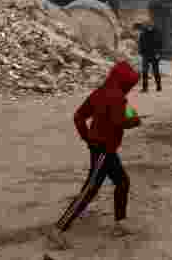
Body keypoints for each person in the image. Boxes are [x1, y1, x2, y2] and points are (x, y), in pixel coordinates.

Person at [48, 61, 141, 250]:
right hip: (104, 150)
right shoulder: (118, 99)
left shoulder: (100, 92)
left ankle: (120, 223)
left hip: (102, 148)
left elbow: (78, 117)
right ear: (125, 82)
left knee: (122, 182)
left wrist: (87, 137)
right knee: (90, 190)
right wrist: (135, 120)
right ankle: (58, 229)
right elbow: (121, 121)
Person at [136, 22, 162, 93]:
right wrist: (141, 52)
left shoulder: (157, 33)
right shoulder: (143, 33)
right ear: (146, 27)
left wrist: (159, 53)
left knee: (156, 71)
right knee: (145, 71)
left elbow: (160, 44)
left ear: (153, 26)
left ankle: (159, 86)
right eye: (148, 26)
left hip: (154, 55)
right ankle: (145, 88)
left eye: (150, 26)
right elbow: (140, 43)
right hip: (146, 55)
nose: (149, 27)